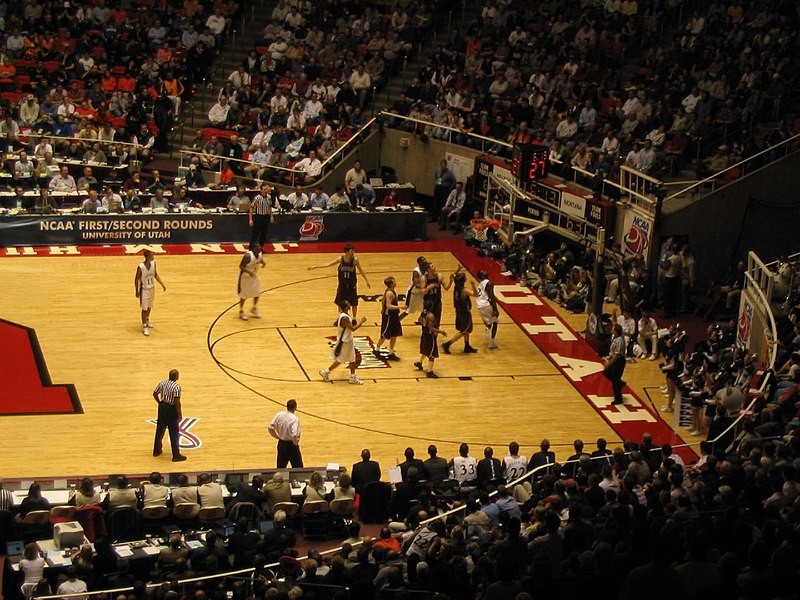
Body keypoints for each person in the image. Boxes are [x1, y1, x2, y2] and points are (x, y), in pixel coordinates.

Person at [308, 244, 371, 319]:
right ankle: (340, 317)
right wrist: (315, 266)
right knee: (340, 302)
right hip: (342, 284)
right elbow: (328, 264)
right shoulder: (341, 259)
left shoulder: (355, 260)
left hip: (351, 284)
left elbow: (361, 270)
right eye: (352, 251)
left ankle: (354, 318)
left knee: (354, 303)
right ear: (347, 252)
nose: (353, 252)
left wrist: (367, 280)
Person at [319, 300, 368, 385]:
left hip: (348, 340)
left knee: (353, 359)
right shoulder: (344, 318)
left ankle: (353, 377)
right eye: (348, 305)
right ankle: (325, 371)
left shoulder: (343, 314)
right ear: (345, 307)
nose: (350, 306)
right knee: (339, 360)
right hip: (345, 341)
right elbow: (353, 329)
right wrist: (361, 322)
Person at [152, 369, 187, 461]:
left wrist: (159, 403)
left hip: (162, 407)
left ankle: (156, 450)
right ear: (176, 377)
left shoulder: (162, 383)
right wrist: (179, 414)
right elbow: (177, 401)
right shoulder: (176, 387)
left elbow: (155, 393)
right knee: (174, 433)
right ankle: (176, 455)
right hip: (171, 409)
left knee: (160, 429)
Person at [443, 270, 478, 354]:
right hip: (465, 313)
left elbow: (454, 276)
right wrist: (473, 285)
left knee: (467, 330)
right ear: (463, 281)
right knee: (464, 331)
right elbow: (475, 294)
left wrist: (458, 270)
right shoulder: (464, 290)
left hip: (458, 311)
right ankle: (448, 344)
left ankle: (467, 346)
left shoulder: (456, 286)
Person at [134, 250, 166, 337]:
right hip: (144, 289)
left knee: (149, 306)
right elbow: (136, 279)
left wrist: (162, 284)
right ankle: (144, 326)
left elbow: (155, 274)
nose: (153, 257)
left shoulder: (153, 264)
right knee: (144, 308)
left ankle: (147, 320)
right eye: (152, 255)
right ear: (147, 257)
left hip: (152, 288)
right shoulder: (140, 267)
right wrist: (136, 291)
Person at [414, 298, 447, 378]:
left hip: (424, 334)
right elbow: (431, 329)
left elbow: (419, 320)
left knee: (426, 350)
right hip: (429, 336)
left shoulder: (423, 312)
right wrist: (441, 331)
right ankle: (429, 372)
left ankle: (419, 362)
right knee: (432, 354)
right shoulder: (431, 316)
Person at [373, 276, 403, 361]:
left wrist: (382, 307)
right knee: (385, 334)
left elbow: (383, 300)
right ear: (391, 284)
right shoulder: (389, 293)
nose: (395, 282)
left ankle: (391, 352)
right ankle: (376, 350)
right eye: (394, 281)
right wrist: (400, 306)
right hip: (389, 316)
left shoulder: (391, 291)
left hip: (394, 316)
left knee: (395, 334)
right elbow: (389, 306)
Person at [268, 399, 303, 468]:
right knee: (298, 468)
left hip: (281, 444)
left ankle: (279, 478)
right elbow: (294, 434)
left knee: (280, 468)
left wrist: (276, 436)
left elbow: (270, 427)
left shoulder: (279, 415)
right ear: (295, 407)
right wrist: (295, 443)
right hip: (291, 445)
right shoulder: (294, 419)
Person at [237, 242, 266, 320]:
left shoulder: (259, 254)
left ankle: (254, 308)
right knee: (244, 295)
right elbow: (241, 266)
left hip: (253, 277)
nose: (259, 248)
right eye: (257, 247)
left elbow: (259, 259)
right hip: (245, 278)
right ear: (253, 249)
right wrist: (248, 272)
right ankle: (241, 311)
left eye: (260, 247)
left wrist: (263, 262)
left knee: (257, 293)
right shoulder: (248, 256)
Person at [476, 270, 499, 349]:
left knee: (489, 323)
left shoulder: (479, 286)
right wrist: (495, 309)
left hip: (480, 306)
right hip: (487, 305)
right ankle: (492, 342)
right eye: (483, 272)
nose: (485, 272)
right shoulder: (488, 283)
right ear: (482, 276)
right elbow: (491, 296)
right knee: (495, 322)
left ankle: (487, 328)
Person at [604, 324, 627, 405]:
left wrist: (609, 363)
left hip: (619, 361)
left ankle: (618, 399)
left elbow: (617, 356)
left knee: (615, 381)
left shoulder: (620, 341)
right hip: (614, 358)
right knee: (606, 372)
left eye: (613, 329)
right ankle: (621, 383)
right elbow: (614, 323)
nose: (611, 330)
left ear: (616, 331)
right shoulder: (615, 336)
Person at [400, 256, 428, 321]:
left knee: (425, 307)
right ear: (420, 263)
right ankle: (396, 322)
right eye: (423, 261)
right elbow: (416, 284)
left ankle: (420, 320)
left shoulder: (426, 269)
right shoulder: (416, 271)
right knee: (408, 310)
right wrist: (426, 287)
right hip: (413, 292)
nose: (425, 262)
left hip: (421, 292)